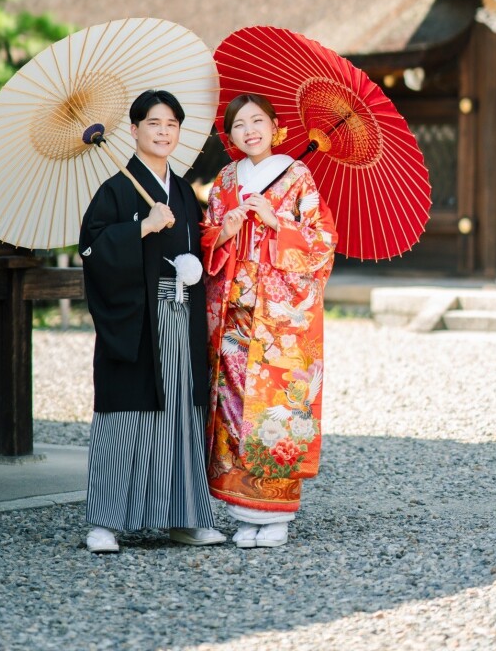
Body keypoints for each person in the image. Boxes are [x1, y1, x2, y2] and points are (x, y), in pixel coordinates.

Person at [79, 88, 225, 553]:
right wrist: (139, 227)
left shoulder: (181, 189)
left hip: (180, 313)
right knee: (126, 414)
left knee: (182, 412)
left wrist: (197, 261)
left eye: (172, 125)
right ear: (135, 128)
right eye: (154, 123)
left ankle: (184, 517)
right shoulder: (116, 189)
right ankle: (105, 522)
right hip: (137, 318)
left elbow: (197, 242)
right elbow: (92, 249)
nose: (164, 132)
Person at [201, 93, 337, 549]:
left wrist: (276, 222)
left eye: (257, 121)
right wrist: (226, 230)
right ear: (231, 135)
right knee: (234, 404)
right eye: (239, 125)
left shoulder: (297, 174)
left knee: (276, 406)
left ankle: (275, 515)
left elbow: (322, 243)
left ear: (276, 126)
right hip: (233, 311)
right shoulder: (223, 180)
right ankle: (243, 510)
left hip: (280, 316)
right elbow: (206, 237)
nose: (249, 130)